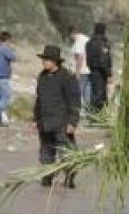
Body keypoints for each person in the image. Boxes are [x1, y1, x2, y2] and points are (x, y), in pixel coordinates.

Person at [33, 45, 80, 188]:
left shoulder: (67, 77)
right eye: (43, 59)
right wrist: (35, 118)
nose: (44, 62)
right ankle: (47, 178)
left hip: (62, 122)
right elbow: (39, 99)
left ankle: (70, 179)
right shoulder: (42, 76)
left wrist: (72, 122)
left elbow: (74, 101)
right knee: (46, 153)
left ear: (55, 61)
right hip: (45, 122)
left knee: (67, 152)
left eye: (47, 59)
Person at [85, 22, 112, 112]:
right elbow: (103, 61)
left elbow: (88, 60)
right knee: (100, 95)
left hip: (93, 71)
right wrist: (109, 73)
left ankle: (93, 114)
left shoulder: (89, 43)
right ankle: (96, 115)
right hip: (100, 72)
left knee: (94, 93)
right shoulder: (103, 44)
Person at [68, 27, 91, 108]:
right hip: (90, 69)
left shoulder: (78, 41)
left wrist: (77, 72)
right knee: (88, 90)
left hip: (82, 70)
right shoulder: (87, 39)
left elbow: (80, 58)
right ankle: (88, 108)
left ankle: (76, 108)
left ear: (72, 33)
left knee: (78, 90)